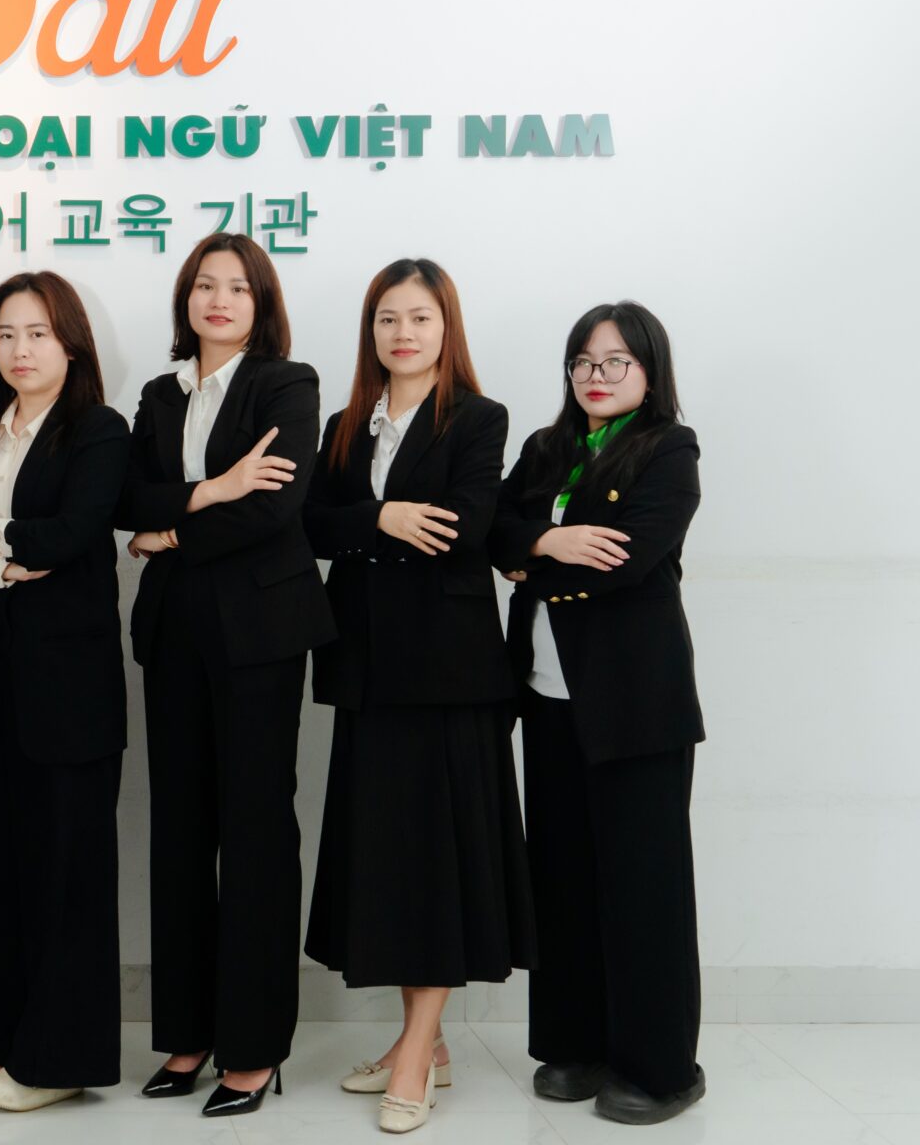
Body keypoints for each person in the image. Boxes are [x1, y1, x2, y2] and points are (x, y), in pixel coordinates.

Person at [301, 258, 534, 1134]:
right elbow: (308, 523)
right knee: (393, 861)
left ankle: (414, 1055)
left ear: (447, 328)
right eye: (388, 318)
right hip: (367, 668)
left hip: (448, 673)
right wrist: (383, 518)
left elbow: (465, 529)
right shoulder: (345, 424)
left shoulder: (478, 416)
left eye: (421, 318)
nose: (403, 333)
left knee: (438, 860)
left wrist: (367, 527)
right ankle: (422, 1043)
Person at [116, 232, 334, 1118]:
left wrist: (171, 531)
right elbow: (125, 499)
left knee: (253, 833)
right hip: (174, 633)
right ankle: (189, 1033)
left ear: (261, 302)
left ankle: (253, 1047)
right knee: (179, 832)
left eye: (237, 287)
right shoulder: (159, 394)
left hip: (259, 635)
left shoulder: (288, 384)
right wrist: (210, 490)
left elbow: (276, 506)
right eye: (204, 285)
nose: (218, 300)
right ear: (186, 299)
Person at [488, 300, 705, 1126]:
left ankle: (660, 1068)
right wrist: (547, 541)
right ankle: (573, 1046)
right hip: (547, 697)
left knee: (644, 886)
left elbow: (628, 558)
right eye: (583, 361)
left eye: (616, 361)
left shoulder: (670, 448)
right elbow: (492, 532)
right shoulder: (546, 448)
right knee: (563, 880)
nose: (596, 376)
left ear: (649, 370)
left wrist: (532, 553)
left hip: (636, 702)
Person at [0, 271, 129, 1113]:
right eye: (6, 333)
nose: (20, 349)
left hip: (67, 684)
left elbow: (71, 535)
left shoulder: (99, 430)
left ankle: (59, 1058)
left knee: (64, 868)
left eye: (38, 332)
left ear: (71, 343)